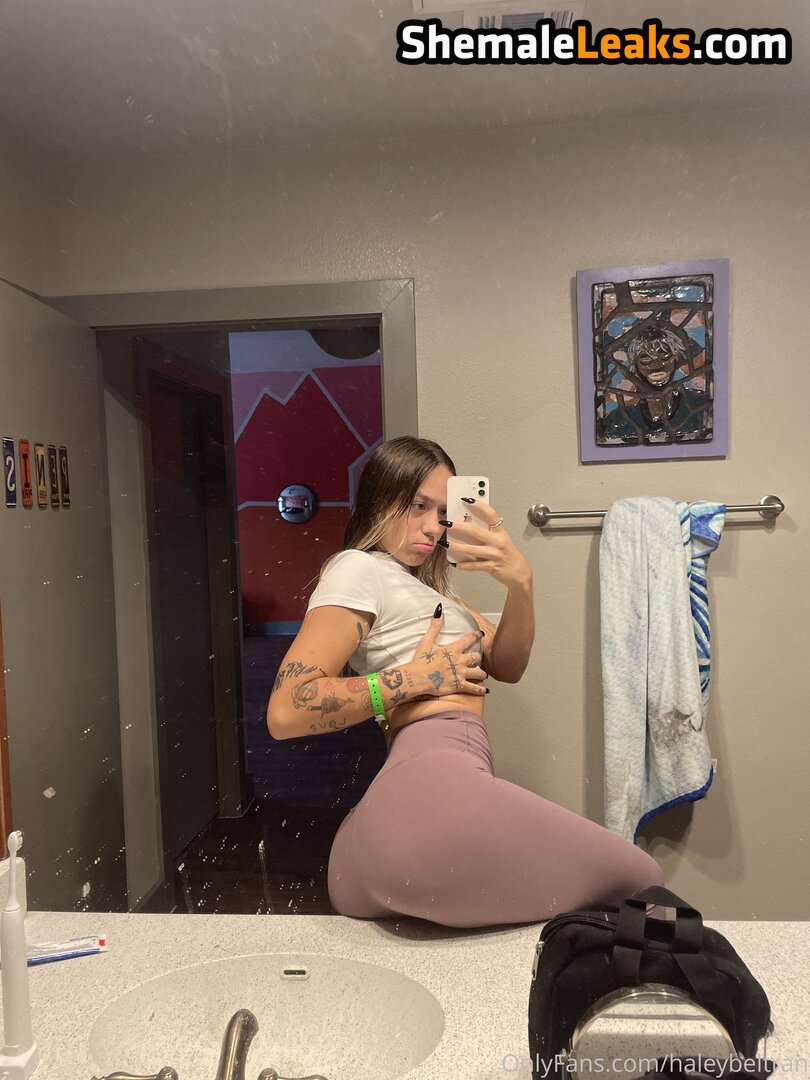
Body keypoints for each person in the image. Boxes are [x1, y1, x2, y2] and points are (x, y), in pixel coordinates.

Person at [266, 437, 663, 928]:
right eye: (417, 506)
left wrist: (520, 584)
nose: (433, 526)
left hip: (383, 829)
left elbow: (508, 664)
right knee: (643, 880)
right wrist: (414, 678)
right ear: (380, 498)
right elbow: (287, 709)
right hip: (431, 789)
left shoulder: (435, 594)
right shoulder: (359, 567)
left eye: (442, 512)